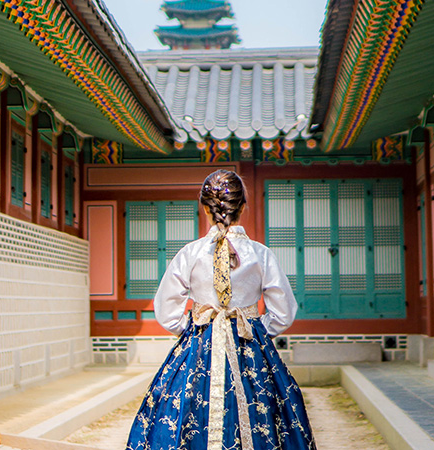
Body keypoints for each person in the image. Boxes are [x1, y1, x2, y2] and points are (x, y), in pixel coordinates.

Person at [126, 170, 317, 450]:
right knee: (267, 414)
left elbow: (166, 308)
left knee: (181, 416)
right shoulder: (260, 254)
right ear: (243, 207)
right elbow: (283, 311)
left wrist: (194, 328)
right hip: (249, 345)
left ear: (205, 208)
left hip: (198, 346)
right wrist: (256, 327)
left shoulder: (190, 254)